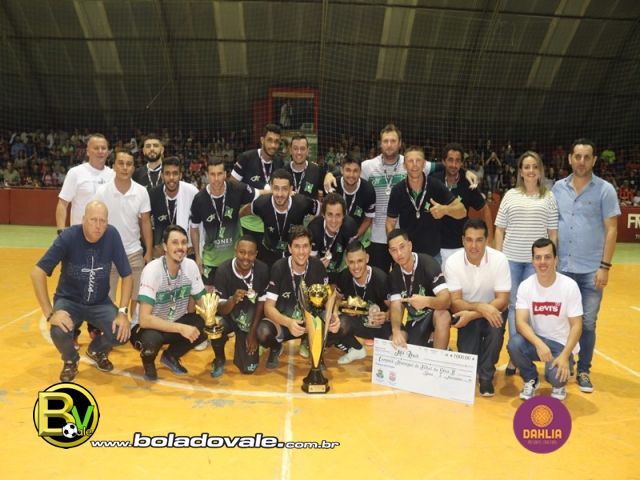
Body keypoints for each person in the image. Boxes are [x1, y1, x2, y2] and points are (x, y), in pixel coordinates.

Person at [324, 124, 477, 272]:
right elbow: (350, 171)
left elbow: (447, 165)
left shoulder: (411, 161)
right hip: (378, 237)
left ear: (400, 143)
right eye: (385, 141)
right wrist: (330, 174)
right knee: (381, 280)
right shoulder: (368, 166)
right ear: (380, 143)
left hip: (405, 239)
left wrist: (466, 172)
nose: (389, 145)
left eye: (393, 141)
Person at [31, 201, 132, 382]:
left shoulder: (112, 235)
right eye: (93, 220)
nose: (98, 226)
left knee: (122, 332)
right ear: (83, 219)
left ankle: (96, 350)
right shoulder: (68, 237)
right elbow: (37, 273)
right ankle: (70, 359)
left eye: (103, 221)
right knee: (58, 330)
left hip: (100, 302)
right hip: (69, 301)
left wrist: (123, 312)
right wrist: (50, 314)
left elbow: (127, 275)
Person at [552, 139, 620, 393]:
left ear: (594, 160)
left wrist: (605, 266)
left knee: (588, 323)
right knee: (563, 322)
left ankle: (583, 370)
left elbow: (611, 230)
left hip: (592, 270)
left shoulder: (605, 190)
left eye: (586, 157)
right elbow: (552, 225)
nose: (581, 161)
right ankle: (564, 363)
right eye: (577, 156)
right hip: (562, 268)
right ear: (570, 158)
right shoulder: (557, 188)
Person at [495, 150, 558, 376]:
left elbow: (552, 232)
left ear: (540, 171)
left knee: (531, 309)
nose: (531, 171)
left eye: (534, 166)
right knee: (514, 308)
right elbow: (499, 229)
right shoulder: (510, 195)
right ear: (520, 172)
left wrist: (551, 260)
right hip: (511, 261)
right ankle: (516, 358)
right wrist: (499, 258)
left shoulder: (548, 197)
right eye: (526, 167)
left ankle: (524, 353)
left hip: (536, 263)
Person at [507, 238, 583, 401]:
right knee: (514, 344)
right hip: (538, 341)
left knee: (556, 378)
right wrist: (539, 344)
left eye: (547, 257)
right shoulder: (526, 286)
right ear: (533, 261)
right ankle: (531, 379)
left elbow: (577, 325)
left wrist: (565, 355)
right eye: (538, 257)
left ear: (556, 260)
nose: (542, 262)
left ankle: (564, 371)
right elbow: (520, 322)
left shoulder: (569, 286)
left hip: (561, 345)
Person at [131, 225, 208, 381]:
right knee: (152, 341)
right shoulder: (152, 270)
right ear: (165, 247)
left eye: (183, 242)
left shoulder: (191, 266)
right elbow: (144, 320)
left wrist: (213, 322)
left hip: (173, 322)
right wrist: (181, 328)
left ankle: (171, 356)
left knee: (202, 325)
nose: (180, 247)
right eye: (175, 242)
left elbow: (203, 302)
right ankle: (148, 363)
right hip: (147, 327)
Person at [444, 219, 511, 396]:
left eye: (479, 240)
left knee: (495, 327)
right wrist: (481, 308)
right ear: (462, 240)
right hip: (466, 311)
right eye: (469, 240)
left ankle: (486, 376)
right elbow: (455, 302)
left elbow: (503, 300)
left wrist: (476, 313)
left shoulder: (500, 259)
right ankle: (476, 363)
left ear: (487, 240)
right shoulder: (452, 262)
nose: (474, 246)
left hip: (491, 311)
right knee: (468, 361)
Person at [259, 226, 337, 369]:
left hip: (311, 323)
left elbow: (328, 299)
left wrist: (333, 316)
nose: (301, 252)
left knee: (338, 326)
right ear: (289, 248)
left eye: (305, 246)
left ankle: (312, 344)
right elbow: (268, 308)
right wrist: (288, 322)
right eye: (297, 246)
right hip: (286, 324)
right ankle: (276, 346)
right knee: (263, 332)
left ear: (310, 248)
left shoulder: (318, 266)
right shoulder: (278, 267)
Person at [94, 150, 153, 316]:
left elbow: (146, 222)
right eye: (121, 163)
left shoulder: (141, 192)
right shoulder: (102, 192)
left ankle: (132, 323)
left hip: (134, 252)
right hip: (108, 252)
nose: (125, 167)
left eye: (129, 164)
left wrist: (148, 251)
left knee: (136, 295)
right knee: (107, 295)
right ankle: (110, 323)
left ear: (133, 168)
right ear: (113, 166)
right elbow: (96, 222)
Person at [386, 146, 466, 263]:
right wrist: (395, 248)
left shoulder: (435, 186)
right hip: (408, 257)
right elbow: (390, 223)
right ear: (404, 165)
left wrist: (445, 210)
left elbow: (462, 211)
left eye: (418, 160)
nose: (414, 165)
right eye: (410, 161)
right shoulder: (397, 190)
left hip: (433, 255)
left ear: (424, 164)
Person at [209, 235, 270, 377]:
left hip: (250, 320)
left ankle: (250, 344)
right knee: (214, 327)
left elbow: (262, 304)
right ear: (235, 251)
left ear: (256, 254)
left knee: (249, 369)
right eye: (242, 252)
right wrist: (232, 300)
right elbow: (220, 309)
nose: (246, 257)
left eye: (250, 253)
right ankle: (219, 359)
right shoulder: (223, 270)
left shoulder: (262, 269)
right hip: (230, 316)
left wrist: (252, 333)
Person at [190, 158, 256, 286]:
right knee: (209, 295)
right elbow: (194, 228)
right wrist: (198, 256)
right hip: (211, 260)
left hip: (236, 259)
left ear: (225, 174)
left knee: (237, 294)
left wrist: (280, 192)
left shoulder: (236, 189)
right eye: (212, 174)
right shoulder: (199, 199)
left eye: (219, 174)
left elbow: (259, 194)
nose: (216, 179)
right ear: (207, 175)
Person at [387, 229, 451, 349]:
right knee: (394, 339)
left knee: (443, 315)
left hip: (433, 316)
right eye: (394, 250)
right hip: (415, 319)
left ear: (410, 245)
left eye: (402, 247)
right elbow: (396, 305)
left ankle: (440, 355)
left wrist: (426, 301)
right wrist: (396, 330)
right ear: (390, 252)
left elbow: (446, 301)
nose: (399, 253)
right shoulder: (394, 274)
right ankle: (430, 343)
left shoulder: (428, 264)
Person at [241, 169, 319, 265]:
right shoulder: (261, 203)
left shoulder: (302, 203)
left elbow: (322, 210)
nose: (280, 194)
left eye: (284, 189)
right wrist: (233, 225)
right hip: (268, 253)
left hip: (294, 255)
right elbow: (245, 210)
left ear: (291, 189)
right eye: (276, 188)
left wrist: (311, 229)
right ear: (271, 187)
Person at [433, 143, 493, 264]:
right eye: (450, 160)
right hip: (437, 248)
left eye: (457, 161)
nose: (454, 165)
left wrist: (489, 239)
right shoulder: (434, 180)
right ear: (443, 161)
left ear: (461, 163)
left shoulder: (467, 183)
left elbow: (485, 209)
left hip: (461, 247)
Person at [333, 241, 392, 364]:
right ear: (346, 262)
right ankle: (356, 348)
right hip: (358, 323)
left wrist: (386, 316)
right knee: (335, 324)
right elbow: (336, 299)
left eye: (360, 261)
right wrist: (340, 310)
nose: (356, 267)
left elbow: (396, 308)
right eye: (351, 262)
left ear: (367, 258)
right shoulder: (344, 276)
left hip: (380, 326)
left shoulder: (381, 278)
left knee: (396, 336)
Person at [231, 124, 283, 245]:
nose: (273, 145)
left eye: (276, 142)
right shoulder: (246, 158)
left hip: (269, 226)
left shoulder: (279, 162)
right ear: (262, 140)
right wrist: (259, 193)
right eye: (269, 140)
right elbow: (232, 185)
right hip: (246, 225)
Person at [56, 133, 114, 231]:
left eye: (103, 148)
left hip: (105, 233)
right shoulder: (75, 173)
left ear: (108, 152)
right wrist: (60, 230)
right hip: (79, 233)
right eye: (96, 148)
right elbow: (62, 203)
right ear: (87, 152)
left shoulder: (113, 175)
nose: (100, 151)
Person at [149, 157, 199, 258]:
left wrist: (193, 245)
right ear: (162, 176)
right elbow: (144, 221)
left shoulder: (192, 192)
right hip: (162, 253)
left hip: (186, 250)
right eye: (167, 173)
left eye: (175, 173)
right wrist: (152, 247)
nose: (171, 177)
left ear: (180, 175)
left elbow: (199, 223)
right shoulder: (153, 194)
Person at [308, 193, 358, 284]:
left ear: (344, 215)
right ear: (323, 214)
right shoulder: (313, 229)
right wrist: (317, 266)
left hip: (341, 267)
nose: (334, 220)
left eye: (338, 215)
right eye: (330, 215)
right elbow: (310, 262)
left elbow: (353, 257)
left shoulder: (350, 226)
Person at [332, 156, 376, 242]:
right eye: (348, 170)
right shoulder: (334, 185)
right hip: (334, 234)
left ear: (360, 172)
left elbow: (368, 219)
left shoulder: (368, 190)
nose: (351, 175)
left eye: (355, 171)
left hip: (357, 235)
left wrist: (355, 237)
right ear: (342, 170)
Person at [285, 133, 323, 199]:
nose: (299, 152)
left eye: (302, 149)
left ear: (307, 151)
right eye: (295, 148)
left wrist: (329, 175)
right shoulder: (283, 171)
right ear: (290, 150)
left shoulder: (316, 170)